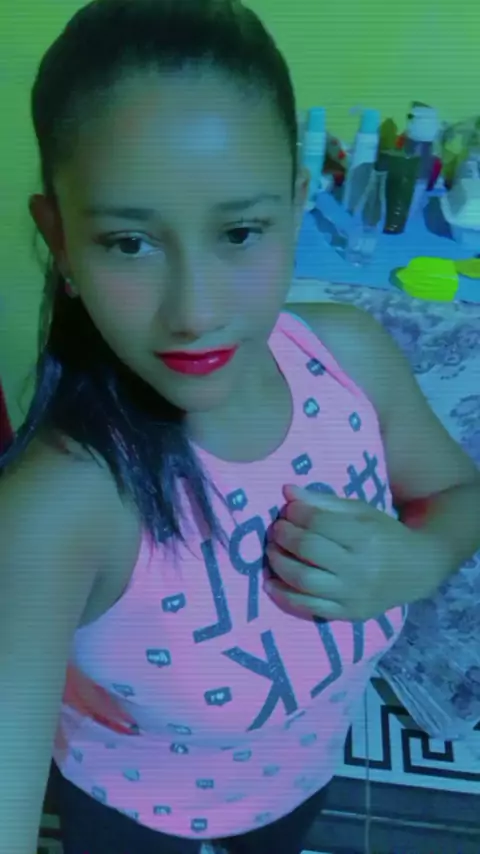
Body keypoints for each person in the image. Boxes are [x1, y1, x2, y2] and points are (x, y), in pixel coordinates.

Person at [1, 1, 480, 852]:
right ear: (62, 243)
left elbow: (458, 492)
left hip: (299, 782)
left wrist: (419, 558)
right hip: (133, 813)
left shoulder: (349, 361)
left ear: (296, 208)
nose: (195, 311)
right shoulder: (59, 504)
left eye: (239, 232)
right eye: (129, 243)